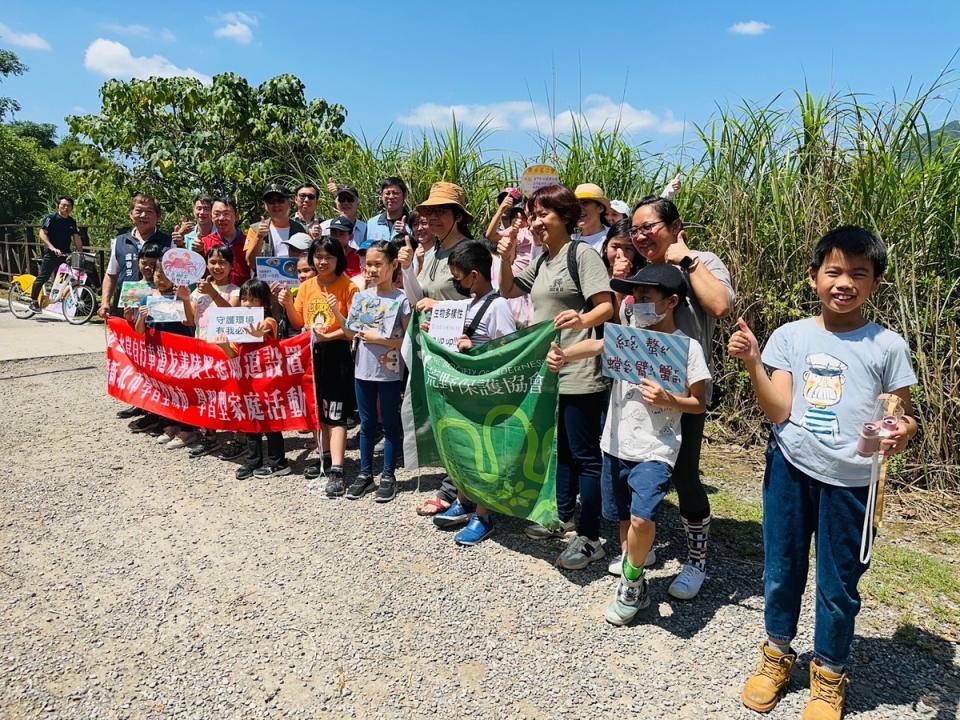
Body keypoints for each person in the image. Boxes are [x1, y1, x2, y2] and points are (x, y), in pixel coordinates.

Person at [731, 227, 918, 720]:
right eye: (833, 271)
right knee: (782, 568)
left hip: (855, 483)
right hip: (791, 469)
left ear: (876, 283)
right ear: (813, 278)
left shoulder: (887, 345)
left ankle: (830, 675)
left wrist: (902, 430)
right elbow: (779, 411)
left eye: (859, 273)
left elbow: (904, 413)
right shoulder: (790, 336)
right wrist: (754, 362)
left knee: (840, 586)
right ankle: (776, 656)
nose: (844, 283)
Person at [547, 264, 711, 624]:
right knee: (624, 518)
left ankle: (632, 579)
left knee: (642, 516)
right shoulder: (629, 336)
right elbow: (599, 344)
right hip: (617, 443)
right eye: (635, 298)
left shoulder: (687, 348)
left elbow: (698, 402)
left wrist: (669, 398)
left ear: (671, 302)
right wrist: (565, 356)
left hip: (657, 448)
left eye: (646, 298)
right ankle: (633, 580)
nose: (636, 304)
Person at [498, 184, 614, 569]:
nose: (536, 220)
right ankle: (563, 516)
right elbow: (508, 289)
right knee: (560, 449)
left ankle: (591, 536)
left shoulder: (581, 255)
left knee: (585, 456)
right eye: (533, 213)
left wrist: (581, 319)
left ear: (566, 216)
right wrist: (507, 256)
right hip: (551, 370)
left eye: (543, 213)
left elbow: (606, 308)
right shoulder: (545, 260)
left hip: (581, 368)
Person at [626, 195, 733, 599]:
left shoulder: (703, 261)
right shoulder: (644, 271)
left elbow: (720, 306)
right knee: (641, 469)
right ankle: (643, 546)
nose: (640, 236)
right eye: (634, 229)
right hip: (642, 391)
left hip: (686, 390)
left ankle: (697, 560)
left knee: (685, 475)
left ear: (674, 226)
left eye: (648, 227)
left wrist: (686, 260)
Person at [397, 181, 478, 516]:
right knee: (444, 417)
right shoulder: (432, 252)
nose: (434, 219)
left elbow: (483, 303)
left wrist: (440, 309)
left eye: (442, 212)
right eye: (430, 213)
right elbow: (419, 301)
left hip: (463, 348)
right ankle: (457, 486)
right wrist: (405, 269)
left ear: (458, 215)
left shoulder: (472, 250)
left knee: (461, 419)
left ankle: (462, 493)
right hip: (435, 348)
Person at [431, 241, 517, 545]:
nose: (456, 283)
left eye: (459, 277)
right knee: (463, 447)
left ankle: (484, 514)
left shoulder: (498, 306)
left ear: (475, 275)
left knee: (483, 453)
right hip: (465, 390)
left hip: (487, 394)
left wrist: (476, 348)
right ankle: (465, 500)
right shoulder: (469, 303)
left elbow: (509, 351)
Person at [325, 239, 410, 503]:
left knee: (390, 424)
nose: (371, 269)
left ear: (393, 265)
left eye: (377, 264)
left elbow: (407, 340)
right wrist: (338, 313)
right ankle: (364, 473)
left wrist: (381, 340)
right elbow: (352, 332)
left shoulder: (401, 299)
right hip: (362, 370)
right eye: (368, 264)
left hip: (389, 372)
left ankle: (388, 475)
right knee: (366, 424)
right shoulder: (362, 297)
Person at [284, 238, 358, 490]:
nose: (322, 262)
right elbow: (297, 321)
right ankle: (324, 458)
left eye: (328, 257)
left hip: (337, 355)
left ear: (339, 259)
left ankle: (338, 469)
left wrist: (331, 332)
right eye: (318, 256)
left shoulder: (348, 286)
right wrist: (285, 303)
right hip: (311, 355)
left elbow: (353, 331)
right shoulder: (306, 286)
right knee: (319, 411)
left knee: (336, 414)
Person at [219, 279, 292, 480]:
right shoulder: (236, 327)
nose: (248, 304)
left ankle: (279, 462)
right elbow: (233, 354)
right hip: (246, 381)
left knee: (270, 422)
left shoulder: (269, 321)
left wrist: (260, 328)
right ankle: (253, 461)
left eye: (254, 299)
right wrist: (224, 344)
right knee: (250, 421)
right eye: (244, 299)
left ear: (264, 304)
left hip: (267, 382)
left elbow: (267, 327)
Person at [133, 261, 198, 449]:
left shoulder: (182, 297)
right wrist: (142, 316)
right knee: (164, 389)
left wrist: (184, 299)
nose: (161, 280)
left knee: (183, 389)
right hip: (158, 354)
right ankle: (169, 425)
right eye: (158, 275)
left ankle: (187, 429)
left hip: (180, 353)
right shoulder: (147, 299)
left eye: (166, 276)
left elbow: (189, 322)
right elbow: (139, 331)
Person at [99, 194, 173, 320]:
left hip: (158, 313)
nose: (143, 215)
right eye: (139, 211)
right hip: (124, 311)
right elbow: (111, 274)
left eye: (149, 211)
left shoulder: (169, 242)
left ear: (158, 216)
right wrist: (105, 302)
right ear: (131, 214)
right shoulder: (119, 241)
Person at [31, 196, 82, 311]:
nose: (66, 208)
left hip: (65, 253)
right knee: (43, 277)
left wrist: (81, 252)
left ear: (72, 208)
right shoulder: (51, 218)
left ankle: (62, 299)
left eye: (68, 206)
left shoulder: (71, 221)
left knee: (73, 276)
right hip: (52, 253)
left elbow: (76, 237)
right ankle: (33, 301)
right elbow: (42, 233)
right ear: (58, 205)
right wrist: (52, 247)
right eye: (63, 205)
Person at [243, 184, 306, 267]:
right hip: (265, 279)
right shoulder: (255, 229)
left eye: (280, 200)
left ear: (289, 204)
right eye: (271, 201)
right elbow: (251, 263)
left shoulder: (302, 229)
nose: (276, 205)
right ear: (265, 206)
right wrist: (259, 237)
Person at [201, 198, 251, 287]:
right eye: (217, 214)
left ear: (237, 216)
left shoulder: (249, 242)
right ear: (211, 217)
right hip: (213, 296)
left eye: (226, 214)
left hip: (242, 296)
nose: (221, 218)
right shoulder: (204, 242)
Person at [366, 176, 412, 243]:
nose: (391, 197)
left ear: (405, 196)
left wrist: (406, 234)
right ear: (381, 196)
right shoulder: (371, 224)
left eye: (395, 193)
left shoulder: (413, 223)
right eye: (387, 193)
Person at [322, 183, 367, 248]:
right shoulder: (324, 228)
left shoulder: (366, 229)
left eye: (350, 199)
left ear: (358, 203)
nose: (345, 203)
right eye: (342, 199)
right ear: (336, 203)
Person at [573, 183, 610, 253]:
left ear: (600, 208)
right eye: (576, 204)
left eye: (584, 203)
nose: (579, 208)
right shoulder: (571, 240)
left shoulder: (611, 237)